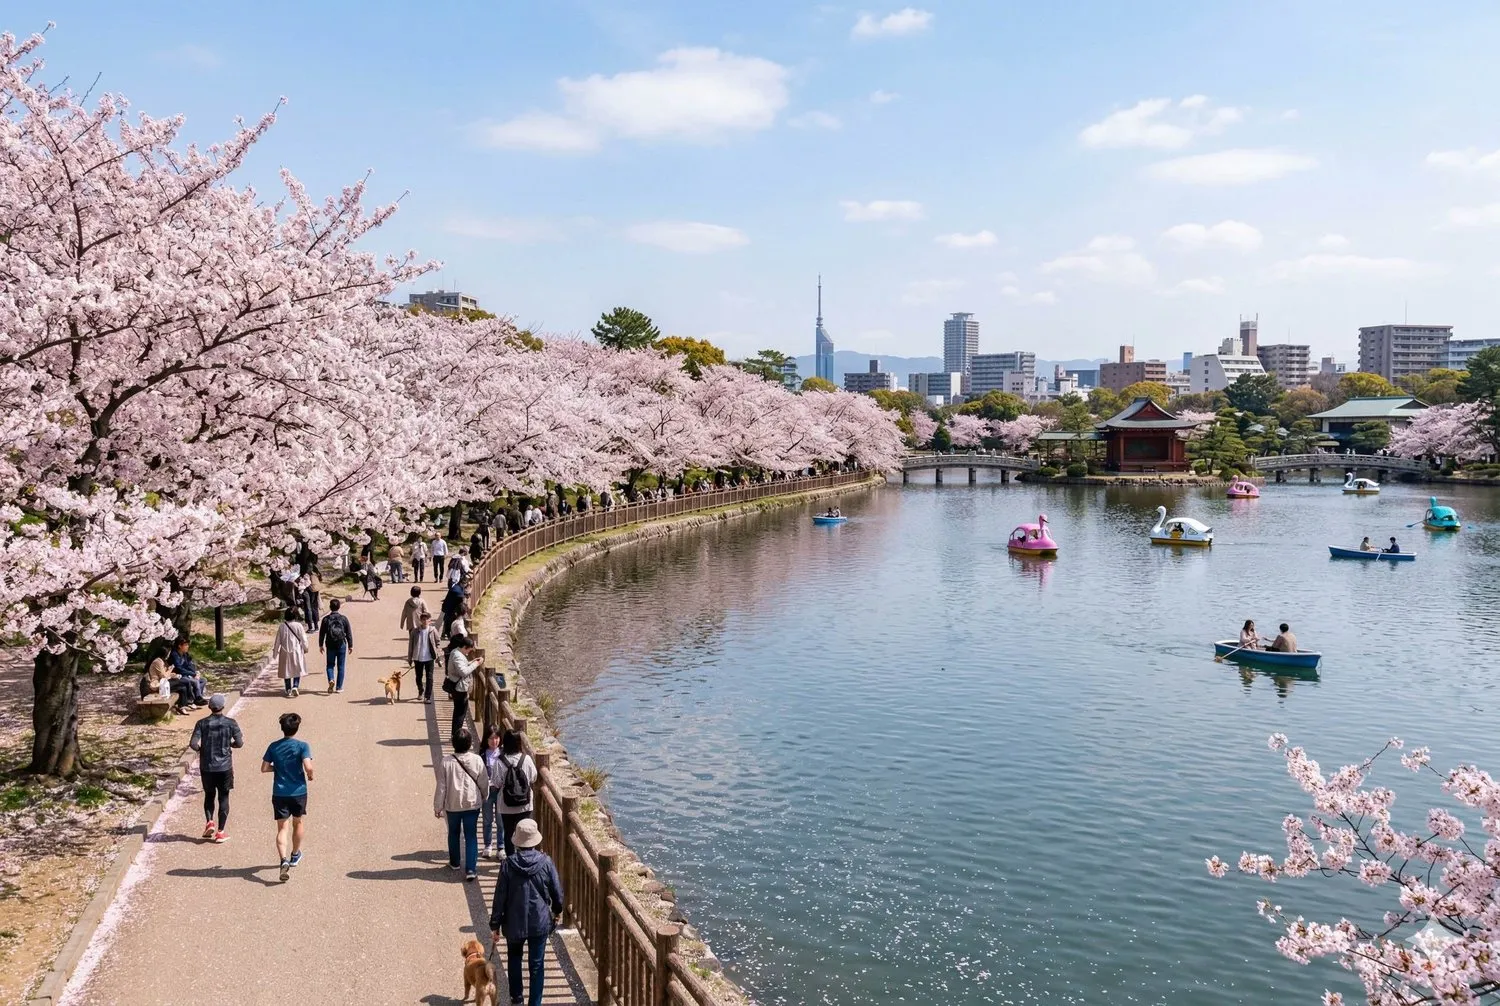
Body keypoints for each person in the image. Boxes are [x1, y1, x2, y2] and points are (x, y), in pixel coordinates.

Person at [489, 818, 564, 1006]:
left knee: (514, 958)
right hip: (539, 921)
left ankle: (517, 998)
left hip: (513, 921)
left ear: (517, 841)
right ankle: (535, 1003)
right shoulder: (546, 862)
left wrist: (495, 925)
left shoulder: (508, 864)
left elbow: (500, 897)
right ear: (535, 840)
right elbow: (557, 893)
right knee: (537, 964)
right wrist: (556, 912)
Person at [262, 712, 314, 883]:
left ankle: (283, 858)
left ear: (282, 728)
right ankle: (295, 855)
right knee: (297, 822)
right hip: (298, 791)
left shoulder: (273, 746)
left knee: (282, 828)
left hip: (279, 792)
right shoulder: (302, 746)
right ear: (296, 728)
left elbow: (264, 768)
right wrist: (310, 775)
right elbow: (308, 766)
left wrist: (277, 769)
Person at [434, 728, 486, 882]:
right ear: (470, 744)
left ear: (453, 743)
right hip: (472, 804)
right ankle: (471, 869)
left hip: (452, 804)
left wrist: (438, 806)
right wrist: (485, 795)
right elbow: (483, 781)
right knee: (471, 836)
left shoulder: (446, 762)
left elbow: (441, 787)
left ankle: (455, 862)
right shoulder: (477, 760)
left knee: (454, 833)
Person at [190, 694, 243, 843]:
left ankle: (209, 822)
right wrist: (230, 745)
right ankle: (221, 832)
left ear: (209, 707)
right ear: (223, 706)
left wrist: (202, 749)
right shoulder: (231, 723)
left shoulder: (201, 723)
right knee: (224, 797)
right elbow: (239, 743)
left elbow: (193, 743)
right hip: (224, 766)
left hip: (207, 766)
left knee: (209, 795)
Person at [486, 729, 537, 859]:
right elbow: (533, 778)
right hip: (525, 804)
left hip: (506, 805)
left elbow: (496, 782)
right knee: (525, 833)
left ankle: (510, 862)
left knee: (508, 833)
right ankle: (525, 860)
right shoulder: (527, 759)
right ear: (519, 743)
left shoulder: (499, 761)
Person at [445, 635, 481, 740]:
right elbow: (464, 671)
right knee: (460, 713)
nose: (468, 653)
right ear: (465, 646)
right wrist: (477, 664)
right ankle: (456, 736)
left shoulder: (456, 652)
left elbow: (462, 666)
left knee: (458, 712)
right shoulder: (457, 655)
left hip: (457, 686)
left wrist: (473, 661)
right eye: (469, 650)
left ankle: (455, 734)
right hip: (459, 688)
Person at [317, 598, 354, 694]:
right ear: (339, 607)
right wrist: (350, 645)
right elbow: (348, 632)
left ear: (330, 607)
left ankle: (331, 679)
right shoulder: (343, 619)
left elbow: (322, 633)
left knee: (330, 665)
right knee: (341, 666)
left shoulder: (326, 619)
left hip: (330, 645)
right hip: (341, 644)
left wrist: (320, 645)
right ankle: (339, 687)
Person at [271, 607, 309, 697]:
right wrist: (306, 648)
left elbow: (277, 641)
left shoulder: (282, 626)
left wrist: (275, 653)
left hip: (284, 651)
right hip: (296, 650)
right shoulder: (298, 625)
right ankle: (295, 686)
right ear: (295, 616)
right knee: (297, 669)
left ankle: (288, 689)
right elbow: (304, 639)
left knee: (286, 670)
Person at [408, 610, 440, 703]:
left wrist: (436, 651)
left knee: (429, 677)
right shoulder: (415, 631)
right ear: (420, 620)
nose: (425, 621)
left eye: (426, 619)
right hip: (418, 658)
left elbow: (438, 641)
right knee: (418, 677)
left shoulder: (433, 630)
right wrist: (410, 658)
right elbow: (410, 645)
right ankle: (421, 691)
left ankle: (427, 696)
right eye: (423, 619)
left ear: (429, 620)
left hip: (429, 657)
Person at [166, 636, 208, 704]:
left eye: (187, 645)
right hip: (177, 676)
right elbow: (179, 669)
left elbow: (189, 665)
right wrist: (192, 674)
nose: (187, 646)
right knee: (195, 682)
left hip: (185, 674)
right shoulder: (174, 655)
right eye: (185, 645)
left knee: (203, 680)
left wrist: (195, 673)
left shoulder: (184, 654)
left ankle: (197, 696)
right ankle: (197, 699)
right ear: (179, 646)